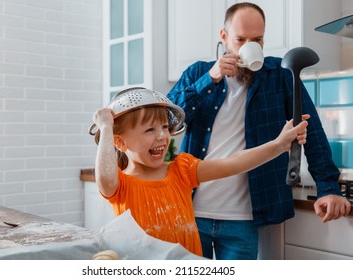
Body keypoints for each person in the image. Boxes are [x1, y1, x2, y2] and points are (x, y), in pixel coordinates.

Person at [167, 2, 351, 260]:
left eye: (257, 39)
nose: (247, 46)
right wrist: (210, 78)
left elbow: (313, 133)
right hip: (190, 212)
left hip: (245, 219)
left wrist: (328, 187)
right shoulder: (198, 72)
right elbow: (167, 120)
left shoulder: (281, 74)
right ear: (224, 36)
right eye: (240, 39)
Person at [91, 87, 308, 257]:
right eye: (150, 129)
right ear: (119, 142)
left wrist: (278, 145)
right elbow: (105, 177)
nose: (162, 137)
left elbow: (233, 162)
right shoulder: (120, 185)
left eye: (165, 127)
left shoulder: (181, 171)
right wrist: (106, 127)